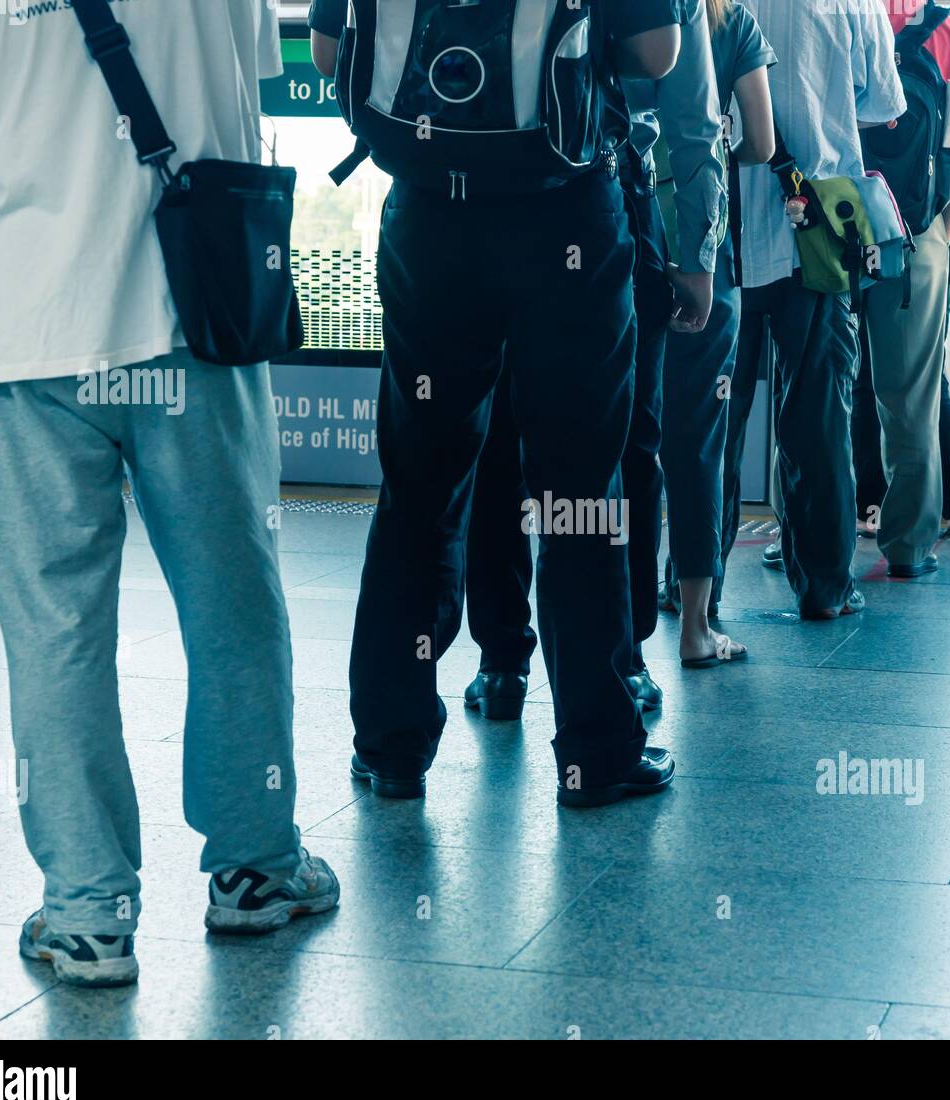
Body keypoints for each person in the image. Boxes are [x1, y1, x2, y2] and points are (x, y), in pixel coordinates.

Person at [0, 0, 339, 989]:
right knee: (233, 603)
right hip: (190, 309)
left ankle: (88, 913)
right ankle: (255, 865)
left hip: (25, 324)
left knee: (54, 630)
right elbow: (251, 67)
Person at [310, 0, 685, 808]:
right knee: (581, 491)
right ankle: (597, 752)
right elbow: (656, 52)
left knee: (419, 480)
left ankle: (391, 744)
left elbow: (325, 51)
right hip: (564, 213)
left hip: (427, 214)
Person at [458, 0, 727, 717]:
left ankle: (503, 659)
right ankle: (623, 661)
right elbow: (694, 118)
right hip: (606, 204)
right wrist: (697, 255)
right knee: (625, 447)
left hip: (471, 203)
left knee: (501, 442)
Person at [716, 0, 906, 619]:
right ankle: (824, 587)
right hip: (819, 236)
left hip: (723, 234)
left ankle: (693, 584)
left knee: (715, 420)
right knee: (821, 421)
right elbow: (883, 104)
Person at [851, 0, 950, 570]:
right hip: (915, 236)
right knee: (911, 396)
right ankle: (908, 547)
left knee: (815, 388)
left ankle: (812, 540)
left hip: (832, 227)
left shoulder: (842, 21)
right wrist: (938, 233)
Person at [658, 0, 775, 666]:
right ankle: (696, 627)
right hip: (706, 258)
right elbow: (760, 141)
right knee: (698, 443)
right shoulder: (734, 25)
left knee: (615, 446)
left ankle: (613, 633)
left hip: (618, 241)